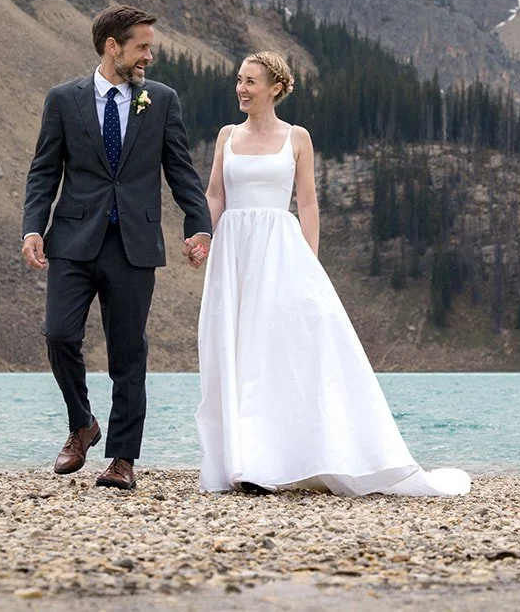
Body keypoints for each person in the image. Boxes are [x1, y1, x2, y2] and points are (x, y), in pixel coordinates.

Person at [190, 51, 470, 496]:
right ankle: (239, 461)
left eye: (251, 82)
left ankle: (275, 460)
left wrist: (308, 261)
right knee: (234, 348)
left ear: (276, 88)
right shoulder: (227, 135)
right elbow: (215, 195)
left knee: (275, 349)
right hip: (233, 251)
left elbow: (308, 202)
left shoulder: (297, 138)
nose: (241, 89)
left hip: (280, 250)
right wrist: (202, 235)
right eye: (239, 81)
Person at [21, 5, 211, 490]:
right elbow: (45, 170)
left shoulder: (161, 100)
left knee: (129, 353)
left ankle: (123, 459)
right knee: (59, 334)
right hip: (72, 241)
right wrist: (32, 228)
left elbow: (181, 170)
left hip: (134, 244)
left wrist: (199, 224)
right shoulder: (64, 99)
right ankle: (82, 423)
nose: (149, 56)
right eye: (142, 47)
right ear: (113, 46)